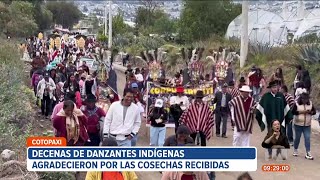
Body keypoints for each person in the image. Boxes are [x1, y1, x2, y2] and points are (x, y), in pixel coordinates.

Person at [292, 93, 316, 160]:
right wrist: (301, 112)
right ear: (301, 99)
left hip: (307, 124)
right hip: (298, 124)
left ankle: (308, 152)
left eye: (306, 99)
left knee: (307, 138)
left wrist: (310, 112)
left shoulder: (310, 103)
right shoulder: (296, 104)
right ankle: (295, 149)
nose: (305, 100)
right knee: (297, 138)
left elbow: (314, 112)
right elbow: (293, 112)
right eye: (303, 99)